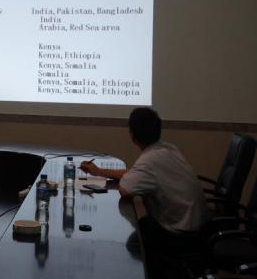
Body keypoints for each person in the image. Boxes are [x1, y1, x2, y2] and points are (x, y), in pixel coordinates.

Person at [80, 107, 208, 277]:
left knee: (135, 238)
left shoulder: (149, 161)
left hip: (181, 234)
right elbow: (134, 174)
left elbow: (126, 189)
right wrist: (99, 171)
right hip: (199, 226)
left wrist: (105, 174)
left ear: (132, 135)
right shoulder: (168, 149)